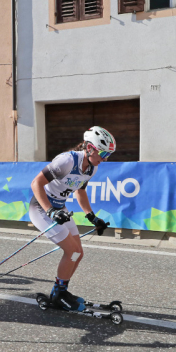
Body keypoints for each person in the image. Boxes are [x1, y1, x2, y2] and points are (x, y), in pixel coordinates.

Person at [29, 126, 115, 312]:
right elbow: (36, 183)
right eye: (103, 153)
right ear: (90, 148)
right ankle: (59, 294)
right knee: (71, 251)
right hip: (41, 208)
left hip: (60, 208)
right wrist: (50, 211)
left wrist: (92, 217)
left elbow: (80, 191)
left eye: (108, 155)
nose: (105, 159)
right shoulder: (67, 161)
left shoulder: (91, 168)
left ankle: (60, 291)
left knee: (78, 253)